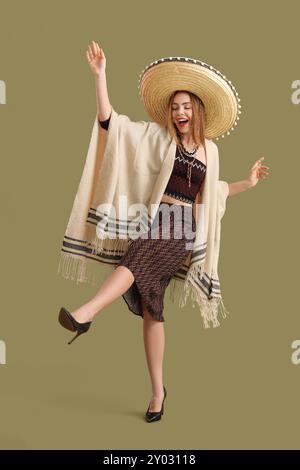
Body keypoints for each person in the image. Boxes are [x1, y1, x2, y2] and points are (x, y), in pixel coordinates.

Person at [58, 41, 270, 423]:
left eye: (186, 106)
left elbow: (216, 191)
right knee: (152, 311)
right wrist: (101, 76)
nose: (180, 112)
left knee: (135, 259)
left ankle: (87, 312)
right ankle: (158, 394)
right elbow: (113, 125)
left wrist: (249, 184)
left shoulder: (211, 151)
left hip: (182, 227)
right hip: (155, 222)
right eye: (175, 107)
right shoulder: (160, 138)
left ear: (199, 110)